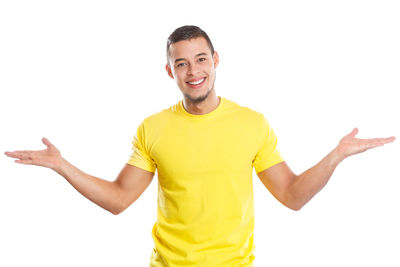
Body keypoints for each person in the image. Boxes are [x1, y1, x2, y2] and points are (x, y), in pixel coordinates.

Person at [4, 25, 395, 267]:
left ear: (216, 60)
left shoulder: (252, 123)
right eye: (182, 64)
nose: (194, 72)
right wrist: (61, 165)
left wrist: (337, 156)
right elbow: (119, 200)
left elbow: (292, 196)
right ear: (169, 70)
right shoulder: (152, 128)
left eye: (201, 59)